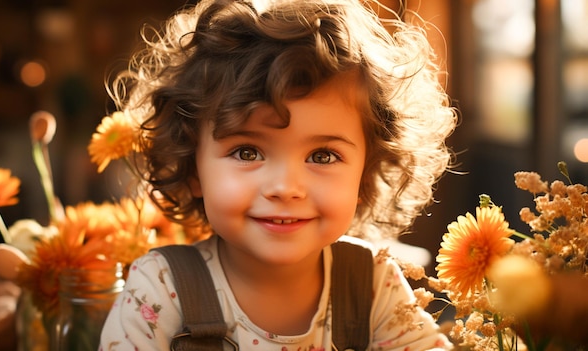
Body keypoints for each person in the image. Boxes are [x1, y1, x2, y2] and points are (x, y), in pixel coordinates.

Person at [100, 0, 457, 349]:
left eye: (322, 155)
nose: (286, 188)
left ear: (365, 175)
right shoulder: (162, 289)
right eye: (247, 152)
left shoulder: (374, 284)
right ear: (193, 168)